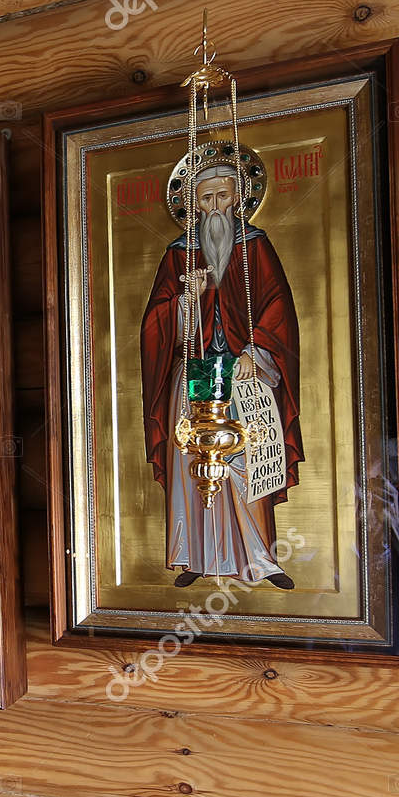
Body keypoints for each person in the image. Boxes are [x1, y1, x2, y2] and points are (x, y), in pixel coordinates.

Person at [139, 155, 302, 588]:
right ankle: (193, 553)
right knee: (190, 456)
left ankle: (260, 558)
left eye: (222, 196)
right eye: (205, 198)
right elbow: (155, 322)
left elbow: (278, 306)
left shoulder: (256, 245)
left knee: (248, 460)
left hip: (246, 372)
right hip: (193, 374)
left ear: (238, 197)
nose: (215, 207)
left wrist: (256, 348)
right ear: (193, 202)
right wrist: (183, 302)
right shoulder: (179, 254)